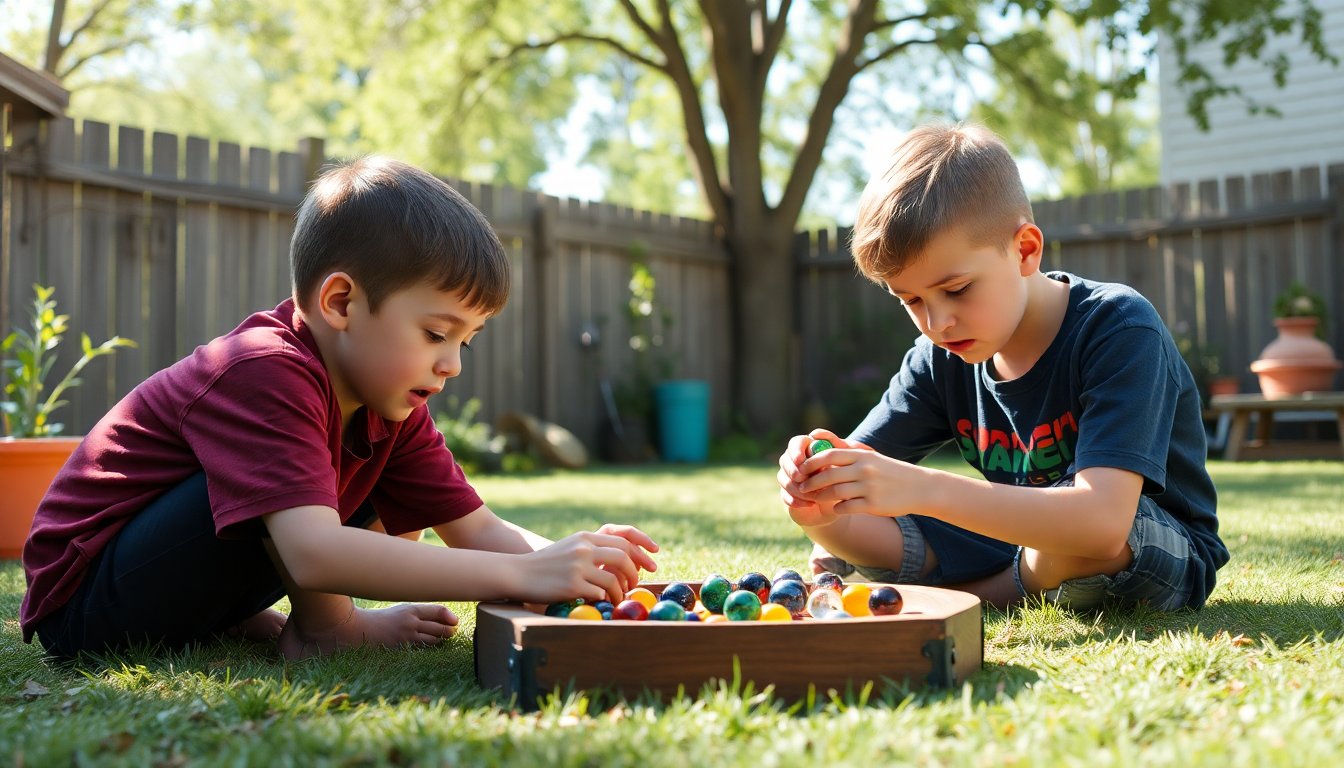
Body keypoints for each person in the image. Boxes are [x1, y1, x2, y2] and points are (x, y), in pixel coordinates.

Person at [22, 156, 658, 661]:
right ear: (341, 303)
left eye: (466, 341)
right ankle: (327, 629)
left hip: (172, 581)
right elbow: (315, 553)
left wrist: (572, 560)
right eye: (437, 334)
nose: (452, 364)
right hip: (85, 604)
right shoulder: (262, 369)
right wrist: (517, 578)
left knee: (355, 479)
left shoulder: (390, 402)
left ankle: (274, 623)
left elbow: (479, 529)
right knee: (300, 500)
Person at [776, 123, 1227, 611]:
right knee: (862, 527)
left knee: (1085, 537)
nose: (938, 322)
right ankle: (1006, 583)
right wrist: (817, 501)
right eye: (910, 300)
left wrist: (923, 489)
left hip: (1143, 542)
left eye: (957, 289)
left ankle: (982, 597)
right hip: (1018, 545)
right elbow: (856, 477)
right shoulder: (940, 357)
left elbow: (1103, 525)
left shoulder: (1118, 327)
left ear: (1025, 250)